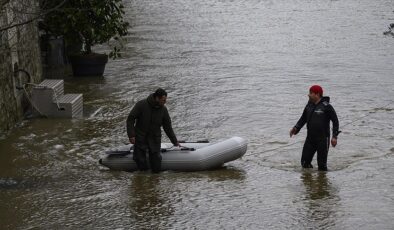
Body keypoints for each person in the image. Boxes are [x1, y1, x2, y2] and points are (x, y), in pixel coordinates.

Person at [127, 88, 180, 173]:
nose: (165, 102)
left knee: (156, 164)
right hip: (141, 137)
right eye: (163, 100)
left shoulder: (163, 110)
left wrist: (175, 141)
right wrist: (131, 135)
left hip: (155, 139)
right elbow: (130, 119)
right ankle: (142, 183)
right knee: (141, 162)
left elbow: (168, 127)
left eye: (165, 100)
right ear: (157, 98)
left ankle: (154, 183)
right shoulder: (141, 105)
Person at [289, 85, 340, 171]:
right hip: (310, 139)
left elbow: (335, 121)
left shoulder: (326, 106)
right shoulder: (309, 105)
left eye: (310, 93)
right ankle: (309, 181)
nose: (308, 95)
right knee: (304, 163)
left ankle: (322, 183)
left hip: (323, 140)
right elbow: (303, 118)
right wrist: (296, 128)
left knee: (322, 166)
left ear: (317, 94)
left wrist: (334, 137)